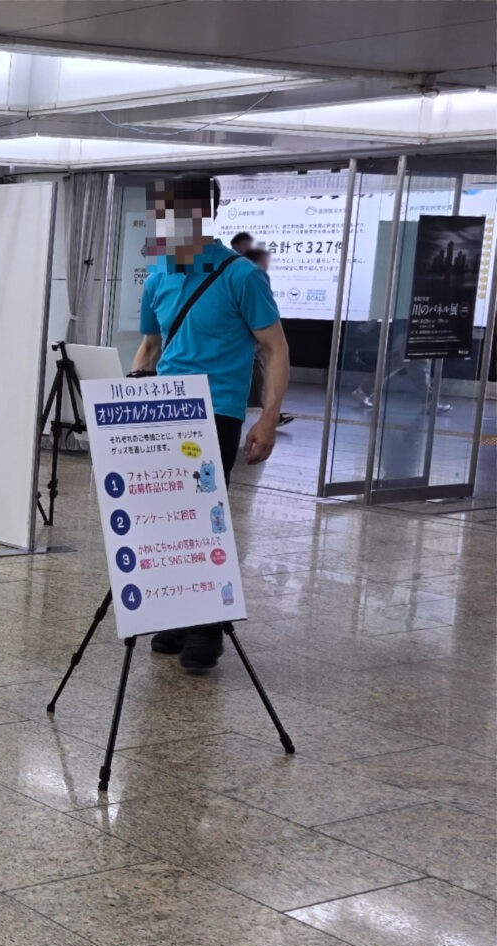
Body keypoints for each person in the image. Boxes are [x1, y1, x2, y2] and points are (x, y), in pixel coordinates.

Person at [131, 176, 289, 672]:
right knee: (166, 516)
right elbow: (151, 347)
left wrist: (265, 417)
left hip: (214, 413)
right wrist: (132, 393)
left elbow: (276, 347)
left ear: (201, 215)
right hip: (163, 411)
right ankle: (177, 611)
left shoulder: (240, 275)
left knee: (204, 517)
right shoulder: (158, 275)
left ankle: (208, 627)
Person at [241, 247, 295, 428]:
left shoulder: (249, 277)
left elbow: (276, 348)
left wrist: (269, 418)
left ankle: (270, 412)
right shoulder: (243, 275)